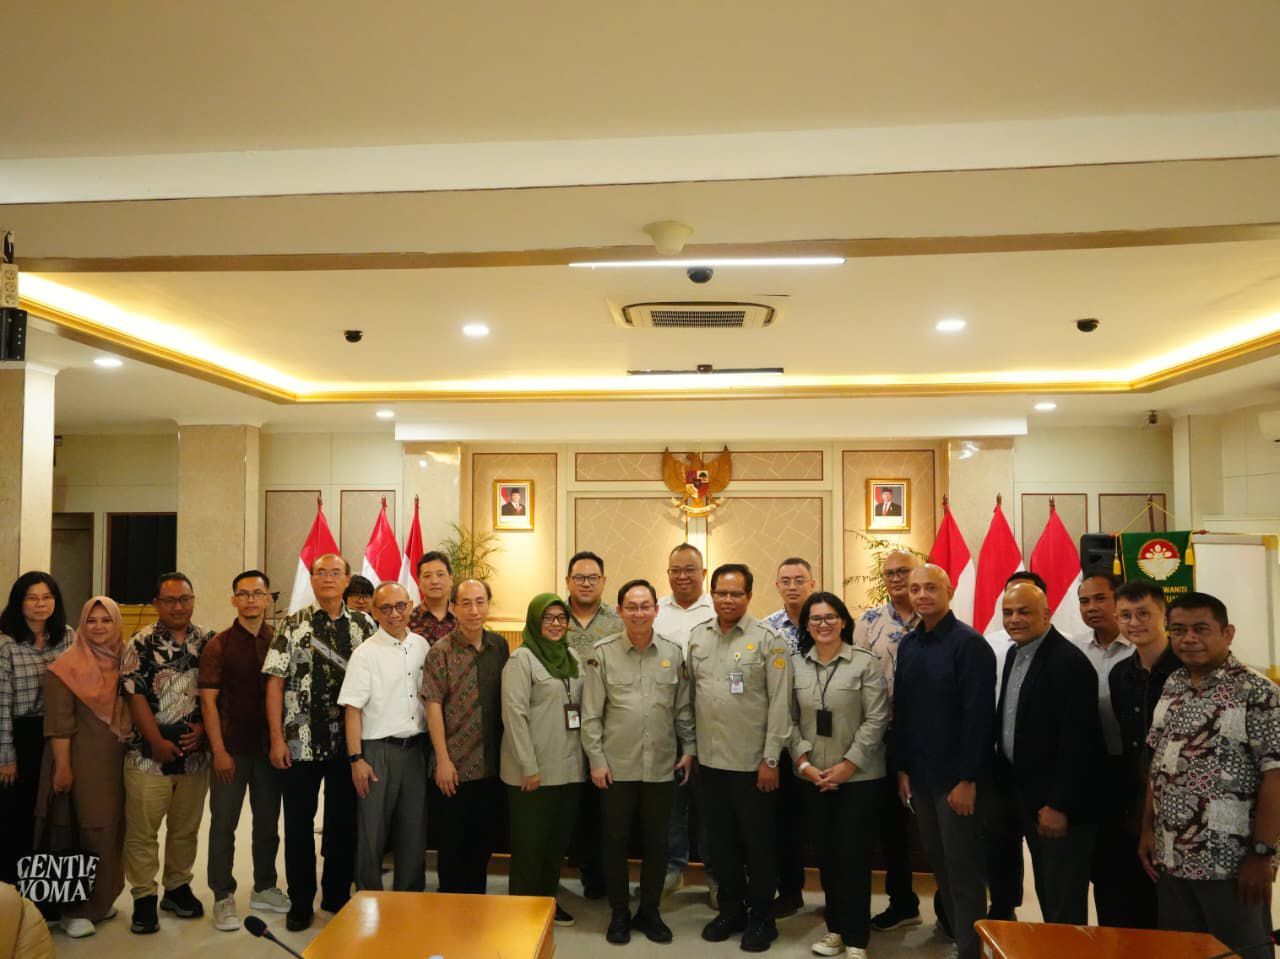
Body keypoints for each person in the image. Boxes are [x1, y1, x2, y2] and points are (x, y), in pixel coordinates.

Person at [1139, 592, 1280, 959]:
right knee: (1181, 953)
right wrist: (1147, 828)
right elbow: (1159, 765)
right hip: (1172, 857)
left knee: (1241, 953)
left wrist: (1262, 854)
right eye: (1179, 630)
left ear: (1227, 632)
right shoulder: (1172, 686)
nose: (1189, 639)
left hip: (1230, 863)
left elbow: (1276, 777)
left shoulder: (1258, 692)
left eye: (1201, 629)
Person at [262, 553, 377, 931]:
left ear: (347, 581)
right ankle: (299, 901)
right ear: (311, 580)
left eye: (335, 573)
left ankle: (335, 896)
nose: (328, 578)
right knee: (297, 826)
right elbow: (275, 682)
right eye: (320, 572)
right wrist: (277, 738)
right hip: (300, 743)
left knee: (343, 824)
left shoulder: (365, 624)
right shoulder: (292, 624)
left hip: (349, 745)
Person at [583, 580, 695, 945]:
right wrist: (596, 760)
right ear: (619, 611)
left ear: (656, 610)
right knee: (614, 841)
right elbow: (591, 716)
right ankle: (619, 911)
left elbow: (682, 709)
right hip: (616, 766)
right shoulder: (602, 653)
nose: (639, 613)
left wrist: (689, 748)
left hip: (661, 766)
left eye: (645, 606)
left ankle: (650, 910)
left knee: (657, 843)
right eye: (631, 606)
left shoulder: (673, 653)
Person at [688, 563, 791, 952]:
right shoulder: (698, 638)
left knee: (758, 845)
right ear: (711, 594)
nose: (727, 600)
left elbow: (780, 704)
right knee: (721, 844)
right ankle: (731, 910)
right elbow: (691, 699)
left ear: (749, 596)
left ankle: (763, 918)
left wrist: (770, 760)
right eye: (720, 592)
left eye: (735, 593)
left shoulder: (769, 640)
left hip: (753, 766)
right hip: (711, 763)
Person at [893, 564, 994, 959]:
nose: (921, 595)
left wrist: (968, 779)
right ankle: (958, 937)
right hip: (920, 775)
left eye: (931, 587)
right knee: (939, 864)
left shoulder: (969, 644)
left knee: (964, 870)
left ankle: (972, 950)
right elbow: (903, 711)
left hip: (956, 780)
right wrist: (902, 769)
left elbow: (979, 717)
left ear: (949, 591)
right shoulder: (910, 644)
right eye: (915, 588)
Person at [991, 582, 1102, 924]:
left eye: (1024, 611)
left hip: (1055, 803)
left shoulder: (1068, 662)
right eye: (1008, 612)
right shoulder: (1015, 653)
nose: (1015, 619)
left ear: (1046, 614)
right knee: (1044, 891)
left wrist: (1059, 804)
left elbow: (1080, 742)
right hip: (1021, 793)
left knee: (1062, 901)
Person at [791, 592, 888, 959]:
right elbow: (789, 720)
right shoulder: (797, 665)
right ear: (807, 626)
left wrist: (848, 765)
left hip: (859, 780)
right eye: (815, 619)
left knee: (854, 858)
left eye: (830, 617)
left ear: (844, 621)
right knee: (828, 858)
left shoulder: (865, 663)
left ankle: (857, 938)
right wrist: (805, 765)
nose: (823, 624)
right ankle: (835, 929)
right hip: (814, 778)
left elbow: (876, 719)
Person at [121, 572, 214, 935]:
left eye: (185, 599)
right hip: (147, 755)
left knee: (185, 827)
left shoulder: (208, 640)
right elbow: (134, 693)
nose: (179, 607)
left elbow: (216, 693)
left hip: (195, 754)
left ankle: (177, 887)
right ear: (157, 603)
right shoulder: (140, 642)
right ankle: (144, 897)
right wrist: (155, 740)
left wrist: (206, 730)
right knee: (143, 831)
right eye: (171, 600)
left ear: (193, 600)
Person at [35, 596, 132, 939]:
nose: (99, 627)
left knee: (113, 830)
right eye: (92, 621)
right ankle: (73, 909)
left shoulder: (126, 659)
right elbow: (59, 725)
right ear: (81, 625)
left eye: (107, 620)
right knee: (84, 830)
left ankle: (102, 899)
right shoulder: (66, 666)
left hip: (119, 761)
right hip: (80, 762)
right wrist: (63, 768)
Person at [199, 569, 288, 932]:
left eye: (258, 593)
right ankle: (223, 895)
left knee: (267, 825)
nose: (251, 600)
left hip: (269, 750)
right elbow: (208, 702)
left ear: (268, 599)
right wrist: (218, 750)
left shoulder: (279, 641)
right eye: (244, 594)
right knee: (223, 825)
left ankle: (265, 886)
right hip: (231, 750)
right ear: (233, 599)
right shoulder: (217, 645)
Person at [339, 582, 429, 893]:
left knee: (414, 831)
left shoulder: (422, 646)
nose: (395, 614)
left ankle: (409, 897)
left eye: (401, 606)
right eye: (386, 608)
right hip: (378, 753)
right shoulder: (365, 654)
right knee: (372, 832)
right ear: (375, 612)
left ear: (411, 606)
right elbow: (352, 710)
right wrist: (356, 760)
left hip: (416, 750)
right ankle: (369, 898)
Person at [421, 579, 509, 893]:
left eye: (480, 601)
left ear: (488, 604)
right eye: (466, 603)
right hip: (454, 765)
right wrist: (442, 760)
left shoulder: (499, 647)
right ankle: (451, 910)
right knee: (452, 845)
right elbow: (433, 707)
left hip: (491, 764)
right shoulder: (440, 652)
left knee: (483, 842)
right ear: (454, 608)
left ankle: (476, 906)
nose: (474, 610)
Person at [501, 593, 583, 927]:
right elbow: (514, 715)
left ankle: (548, 902)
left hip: (569, 768)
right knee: (529, 846)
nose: (555, 624)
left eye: (561, 618)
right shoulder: (522, 660)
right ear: (535, 621)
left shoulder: (572, 656)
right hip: (532, 771)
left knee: (555, 846)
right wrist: (529, 766)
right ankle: (521, 911)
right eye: (548, 618)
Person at [853, 550, 923, 933]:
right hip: (881, 733)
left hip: (927, 736)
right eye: (890, 574)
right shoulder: (868, 623)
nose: (897, 579)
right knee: (891, 826)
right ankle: (902, 900)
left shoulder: (934, 619)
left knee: (931, 825)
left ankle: (949, 910)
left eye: (904, 572)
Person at [1104, 579, 1178, 929]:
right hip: (1131, 800)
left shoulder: (1185, 669)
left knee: (1175, 908)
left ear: (1164, 614)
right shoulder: (1120, 674)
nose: (1135, 623)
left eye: (1144, 613)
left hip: (1181, 804)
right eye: (1125, 615)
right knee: (1132, 902)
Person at [1069, 568, 1133, 926]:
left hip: (1131, 768)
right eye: (1084, 601)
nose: (1091, 607)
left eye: (1099, 599)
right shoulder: (1074, 649)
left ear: (1118, 601)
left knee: (1132, 869)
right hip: (1089, 771)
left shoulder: (1139, 647)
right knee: (1100, 867)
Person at [0, 572, 73, 887]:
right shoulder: (6, 644)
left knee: (54, 815)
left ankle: (48, 891)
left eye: (47, 597)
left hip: (59, 734)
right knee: (18, 816)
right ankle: (13, 891)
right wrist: (5, 755)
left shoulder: (68, 636)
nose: (40, 604)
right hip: (21, 735)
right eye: (32, 598)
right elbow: (1, 704)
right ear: (19, 602)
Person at [654, 544, 716, 899]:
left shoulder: (718, 608)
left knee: (709, 805)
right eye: (676, 569)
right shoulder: (656, 610)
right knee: (671, 803)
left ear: (703, 573)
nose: (682, 576)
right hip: (665, 720)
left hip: (710, 720)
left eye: (690, 569)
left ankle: (715, 875)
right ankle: (672, 868)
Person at [563, 551, 623, 900]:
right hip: (563, 725)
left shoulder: (617, 621)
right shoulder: (552, 618)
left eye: (593, 578)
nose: (586, 583)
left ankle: (600, 876)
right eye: (579, 577)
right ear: (568, 580)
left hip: (607, 725)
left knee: (603, 805)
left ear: (603, 581)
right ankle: (578, 866)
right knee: (573, 804)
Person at [761, 558, 816, 919]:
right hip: (781, 738)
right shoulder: (767, 629)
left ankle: (838, 898)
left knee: (825, 823)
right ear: (777, 585)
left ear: (812, 583)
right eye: (786, 581)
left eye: (799, 580)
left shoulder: (827, 620)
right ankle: (790, 890)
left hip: (823, 736)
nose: (793, 586)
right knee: (784, 823)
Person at [408, 551, 458, 645]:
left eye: (440, 575)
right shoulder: (408, 619)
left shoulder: (463, 616)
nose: (434, 581)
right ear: (419, 582)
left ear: (451, 580)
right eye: (427, 576)